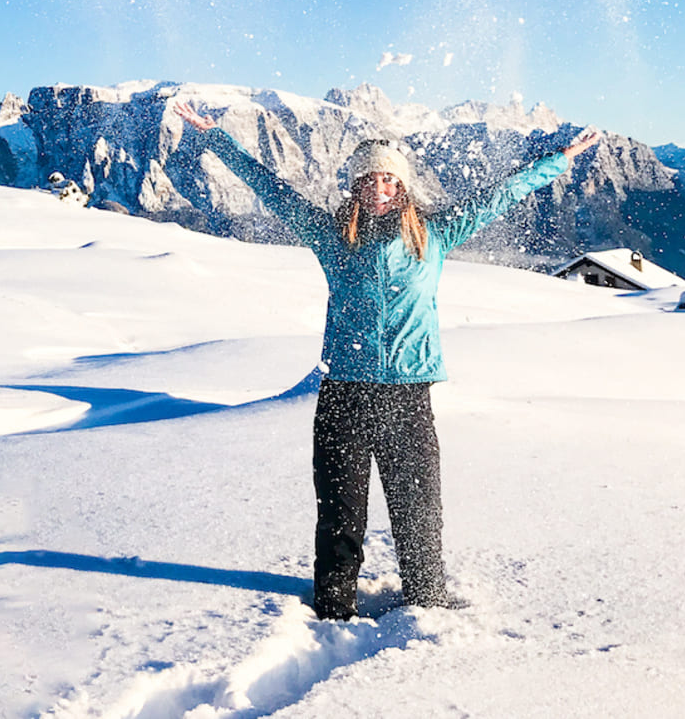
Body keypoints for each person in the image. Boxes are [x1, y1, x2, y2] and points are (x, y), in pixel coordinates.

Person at [172, 98, 600, 619]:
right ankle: (332, 613)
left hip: (407, 398)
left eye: (390, 181)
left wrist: (560, 159)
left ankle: (427, 612)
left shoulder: (435, 236)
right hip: (344, 398)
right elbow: (273, 190)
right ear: (356, 186)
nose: (381, 189)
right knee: (340, 518)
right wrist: (216, 138)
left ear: (403, 187)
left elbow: (501, 195)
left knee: (419, 515)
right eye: (371, 180)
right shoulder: (331, 238)